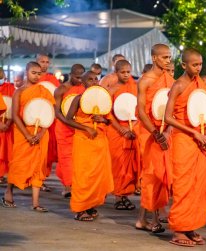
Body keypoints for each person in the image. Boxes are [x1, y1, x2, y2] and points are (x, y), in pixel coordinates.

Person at [164, 48, 206, 247]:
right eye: (194, 64)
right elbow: (168, 117)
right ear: (183, 65)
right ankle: (179, 229)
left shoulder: (201, 85)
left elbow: (205, 112)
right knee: (183, 185)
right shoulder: (178, 85)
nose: (198, 68)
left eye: (200, 64)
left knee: (199, 185)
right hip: (183, 141)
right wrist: (194, 132)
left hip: (200, 141)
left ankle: (190, 226)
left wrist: (205, 133)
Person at [2, 61, 55, 211]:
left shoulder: (43, 91)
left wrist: (41, 132)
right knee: (19, 164)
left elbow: (48, 113)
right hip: (23, 132)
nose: (37, 76)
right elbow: (15, 116)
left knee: (38, 166)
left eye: (39, 74)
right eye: (34, 73)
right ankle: (8, 192)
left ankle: (36, 203)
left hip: (41, 133)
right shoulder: (19, 91)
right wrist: (27, 134)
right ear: (26, 72)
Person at [135, 44, 174, 233]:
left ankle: (142, 219)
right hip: (149, 133)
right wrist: (155, 133)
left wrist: (167, 131)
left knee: (161, 176)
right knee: (153, 174)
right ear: (154, 58)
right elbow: (141, 111)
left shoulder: (171, 80)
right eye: (165, 57)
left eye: (169, 57)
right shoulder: (145, 81)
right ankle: (153, 219)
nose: (168, 60)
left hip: (166, 132)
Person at [65, 71, 114, 221]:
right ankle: (80, 209)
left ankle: (91, 206)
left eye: (96, 79)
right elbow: (68, 119)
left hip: (99, 141)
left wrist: (103, 120)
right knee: (84, 175)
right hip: (83, 141)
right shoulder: (79, 99)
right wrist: (85, 127)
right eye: (90, 79)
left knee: (98, 176)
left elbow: (109, 121)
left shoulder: (103, 99)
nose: (93, 81)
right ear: (83, 83)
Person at [107, 60, 139, 211]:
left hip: (133, 129)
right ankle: (118, 196)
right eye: (122, 72)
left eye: (128, 72)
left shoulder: (136, 87)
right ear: (116, 72)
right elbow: (107, 112)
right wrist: (120, 128)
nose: (126, 75)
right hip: (116, 131)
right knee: (118, 164)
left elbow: (140, 109)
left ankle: (125, 195)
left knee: (130, 165)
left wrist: (136, 128)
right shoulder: (112, 90)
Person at [54, 64, 85, 198]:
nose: (79, 80)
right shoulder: (61, 89)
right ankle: (68, 186)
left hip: (78, 127)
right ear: (71, 75)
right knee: (65, 158)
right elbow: (57, 112)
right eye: (77, 77)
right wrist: (68, 122)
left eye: (81, 77)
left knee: (78, 158)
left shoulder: (84, 89)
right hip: (63, 127)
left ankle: (76, 184)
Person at [36, 53, 60, 191]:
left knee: (48, 152)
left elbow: (57, 98)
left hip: (50, 119)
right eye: (42, 61)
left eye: (47, 62)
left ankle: (42, 178)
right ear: (36, 62)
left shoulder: (52, 79)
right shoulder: (33, 78)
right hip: (34, 119)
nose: (44, 64)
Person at [0, 69, 15, 184]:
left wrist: (8, 122)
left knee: (7, 150)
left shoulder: (10, 88)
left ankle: (4, 174)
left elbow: (14, 106)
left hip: (8, 125)